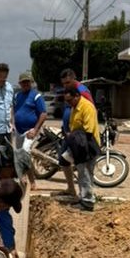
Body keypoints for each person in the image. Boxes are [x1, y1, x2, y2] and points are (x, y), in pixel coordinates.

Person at [63, 84, 101, 212]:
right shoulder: (75, 106)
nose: (68, 103)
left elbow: (88, 131)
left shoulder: (87, 107)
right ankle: (84, 197)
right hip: (79, 143)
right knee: (82, 173)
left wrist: (72, 136)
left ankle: (88, 202)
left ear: (77, 96)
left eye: (70, 100)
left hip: (87, 144)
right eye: (66, 101)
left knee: (85, 173)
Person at [57, 68, 94, 200]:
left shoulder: (83, 92)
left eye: (67, 82)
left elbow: (89, 113)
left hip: (80, 138)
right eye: (63, 83)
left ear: (74, 78)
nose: (65, 86)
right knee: (63, 159)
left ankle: (86, 197)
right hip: (70, 134)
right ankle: (72, 189)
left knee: (83, 168)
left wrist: (80, 136)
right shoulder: (68, 93)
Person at [13, 71, 47, 190]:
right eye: (23, 82)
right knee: (18, 155)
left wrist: (36, 129)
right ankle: (23, 179)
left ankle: (31, 181)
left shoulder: (36, 96)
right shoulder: (17, 96)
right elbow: (14, 109)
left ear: (31, 82)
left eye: (27, 82)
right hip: (18, 131)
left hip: (31, 130)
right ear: (20, 84)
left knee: (25, 152)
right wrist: (12, 123)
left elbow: (43, 113)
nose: (25, 84)